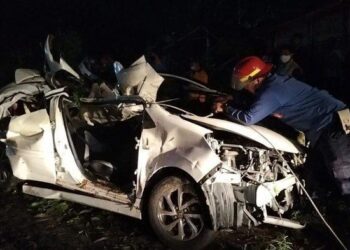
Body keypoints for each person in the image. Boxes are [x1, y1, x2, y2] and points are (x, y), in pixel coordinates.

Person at [213, 56, 350, 196]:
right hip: (325, 127)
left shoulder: (272, 92)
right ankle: (328, 202)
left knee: (343, 172)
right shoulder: (274, 84)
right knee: (316, 170)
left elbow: (249, 118)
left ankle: (343, 210)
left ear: (257, 79)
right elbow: (256, 103)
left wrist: (225, 108)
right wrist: (233, 100)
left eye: (247, 85)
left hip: (333, 126)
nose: (246, 89)